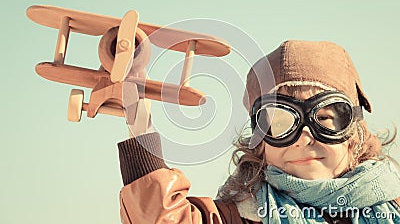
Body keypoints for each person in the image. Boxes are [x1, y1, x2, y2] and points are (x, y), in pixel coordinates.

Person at [117, 40, 400, 223]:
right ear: (260, 142)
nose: (303, 138)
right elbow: (161, 218)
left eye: (324, 118)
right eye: (280, 123)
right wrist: (138, 115)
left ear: (353, 132)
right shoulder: (240, 217)